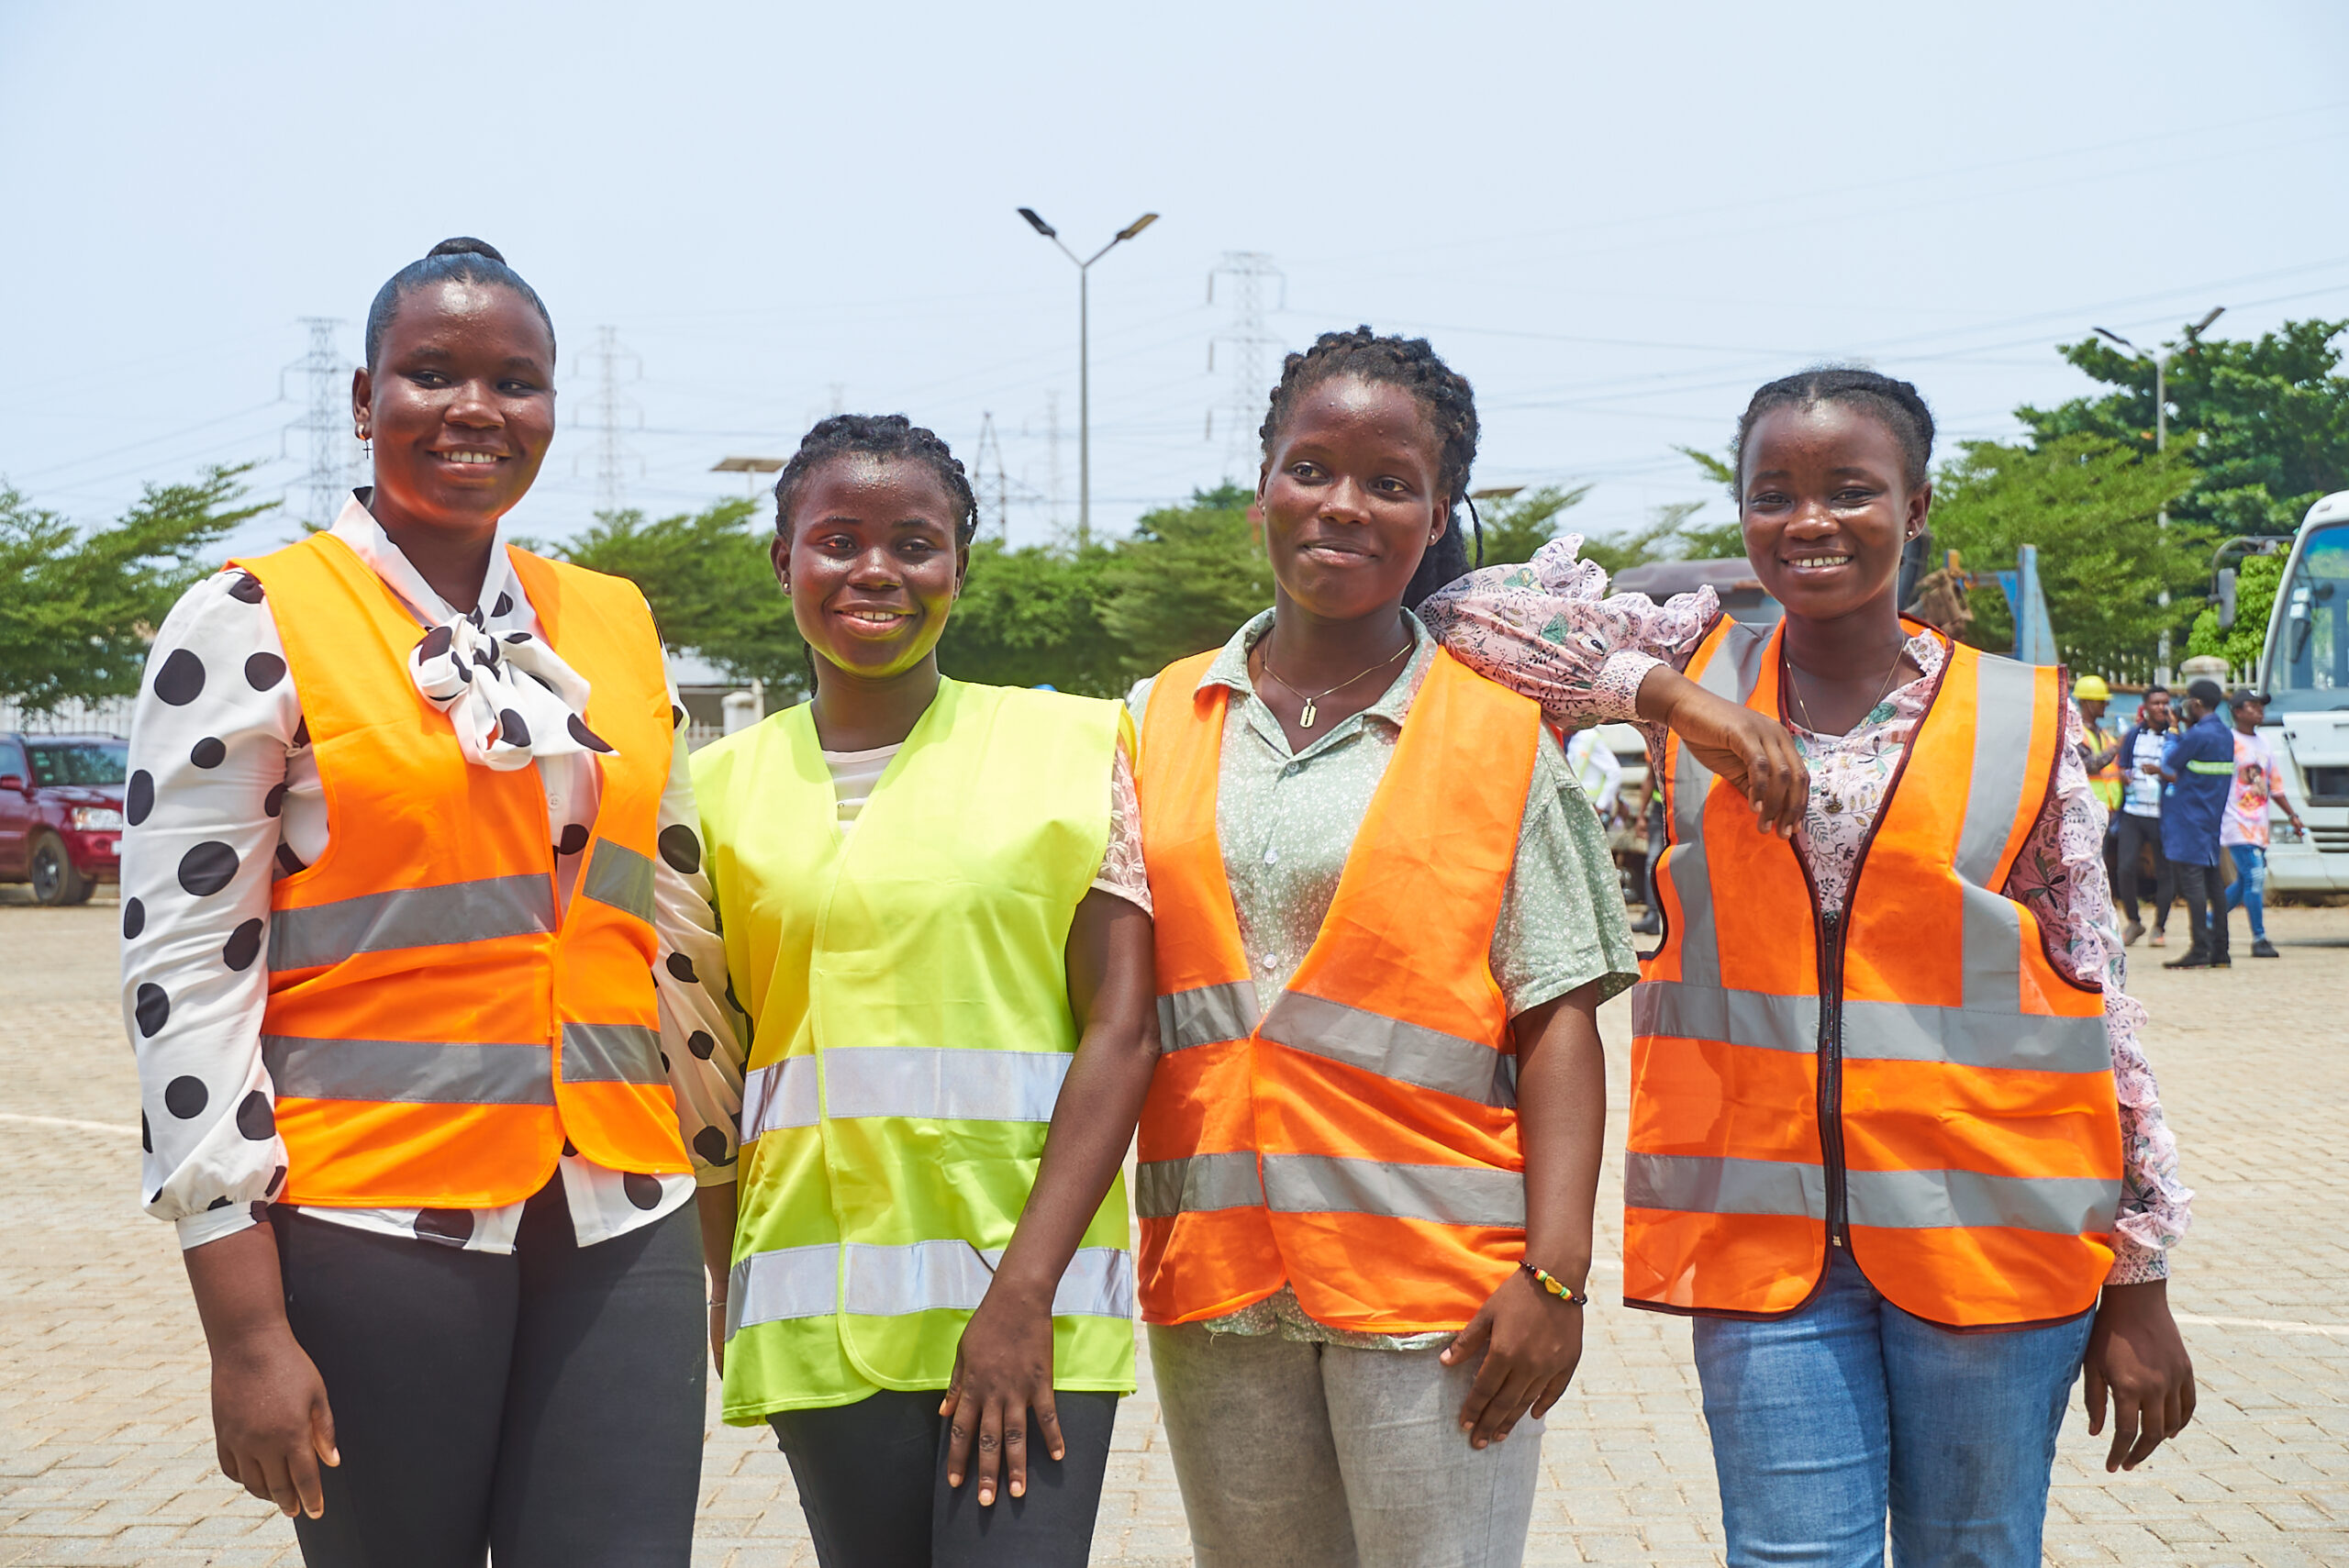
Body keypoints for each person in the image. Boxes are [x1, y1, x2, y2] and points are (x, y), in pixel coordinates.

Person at [1423, 366, 2196, 1568]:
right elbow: (1464, 618)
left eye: (1850, 490)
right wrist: (1672, 696)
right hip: (1765, 1238)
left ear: (1918, 503)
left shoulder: (2020, 713)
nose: (1809, 520)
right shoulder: (1699, 668)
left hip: (1996, 1223)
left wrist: (2140, 1274)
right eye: (1772, 492)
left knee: (1977, 1553)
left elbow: (2104, 1000)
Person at [120, 239, 733, 1567]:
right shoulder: (250, 620)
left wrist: (724, 1195)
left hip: (622, 1207)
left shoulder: (612, 624)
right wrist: (244, 1332)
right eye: (433, 374)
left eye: (517, 381)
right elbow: (182, 978)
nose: (477, 409)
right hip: (371, 1226)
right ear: (362, 398)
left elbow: (672, 929)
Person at [1129, 328, 1637, 1568]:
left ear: (1437, 512)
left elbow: (1559, 1019)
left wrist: (1557, 1276)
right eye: (1311, 467)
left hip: (1440, 1293)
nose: (1342, 505)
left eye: (1390, 481)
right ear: (1262, 487)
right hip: (1221, 1281)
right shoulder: (1160, 716)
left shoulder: (1499, 735)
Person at [688, 415, 1158, 1568]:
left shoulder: (1075, 746)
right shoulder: (708, 793)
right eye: (836, 540)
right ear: (782, 560)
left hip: (1030, 1307)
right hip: (816, 1317)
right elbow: (710, 1073)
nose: (876, 571)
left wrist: (1021, 1296)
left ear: (960, 564)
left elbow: (1124, 1026)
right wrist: (723, 1284)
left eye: (915, 542)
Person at [2159, 679, 2239, 970]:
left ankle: (2200, 949)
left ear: (2195, 704)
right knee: (2213, 884)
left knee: (2193, 885)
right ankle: (2221, 951)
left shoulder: (2196, 735)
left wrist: (2172, 731)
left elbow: (2169, 762)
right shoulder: (2225, 735)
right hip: (2210, 818)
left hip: (2188, 819)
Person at [2220, 690, 2302, 960]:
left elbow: (2274, 786)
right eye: (2252, 706)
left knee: (2245, 881)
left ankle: (2210, 920)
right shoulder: (2228, 741)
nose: (2259, 710)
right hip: (2236, 822)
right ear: (2237, 711)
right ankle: (2259, 938)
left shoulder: (2265, 744)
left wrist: (2292, 815)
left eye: (2260, 706)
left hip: (2259, 824)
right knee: (2255, 877)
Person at [2113, 686, 2176, 946]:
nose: (2162, 708)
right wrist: (2124, 775)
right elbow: (2122, 766)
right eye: (2157, 703)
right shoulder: (2132, 736)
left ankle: (2159, 927)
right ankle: (2134, 922)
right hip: (2133, 812)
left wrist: (2160, 771)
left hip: (2164, 814)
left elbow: (2180, 771)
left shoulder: (2175, 738)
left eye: (2166, 703)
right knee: (2125, 867)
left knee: (2165, 871)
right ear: (2146, 707)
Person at [1564, 725, 1626, 817]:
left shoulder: (1590, 738)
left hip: (1592, 805)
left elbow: (1615, 772)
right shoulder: (1575, 738)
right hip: (1578, 805)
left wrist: (1601, 806)